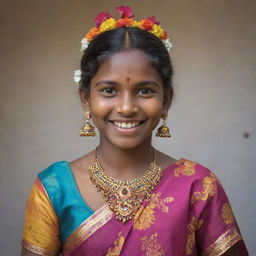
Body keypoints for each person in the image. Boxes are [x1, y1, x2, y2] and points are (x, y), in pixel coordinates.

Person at [21, 6, 248, 256]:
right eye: (109, 90)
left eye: (145, 91)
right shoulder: (54, 188)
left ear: (167, 99)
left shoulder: (199, 186)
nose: (127, 108)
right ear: (86, 99)